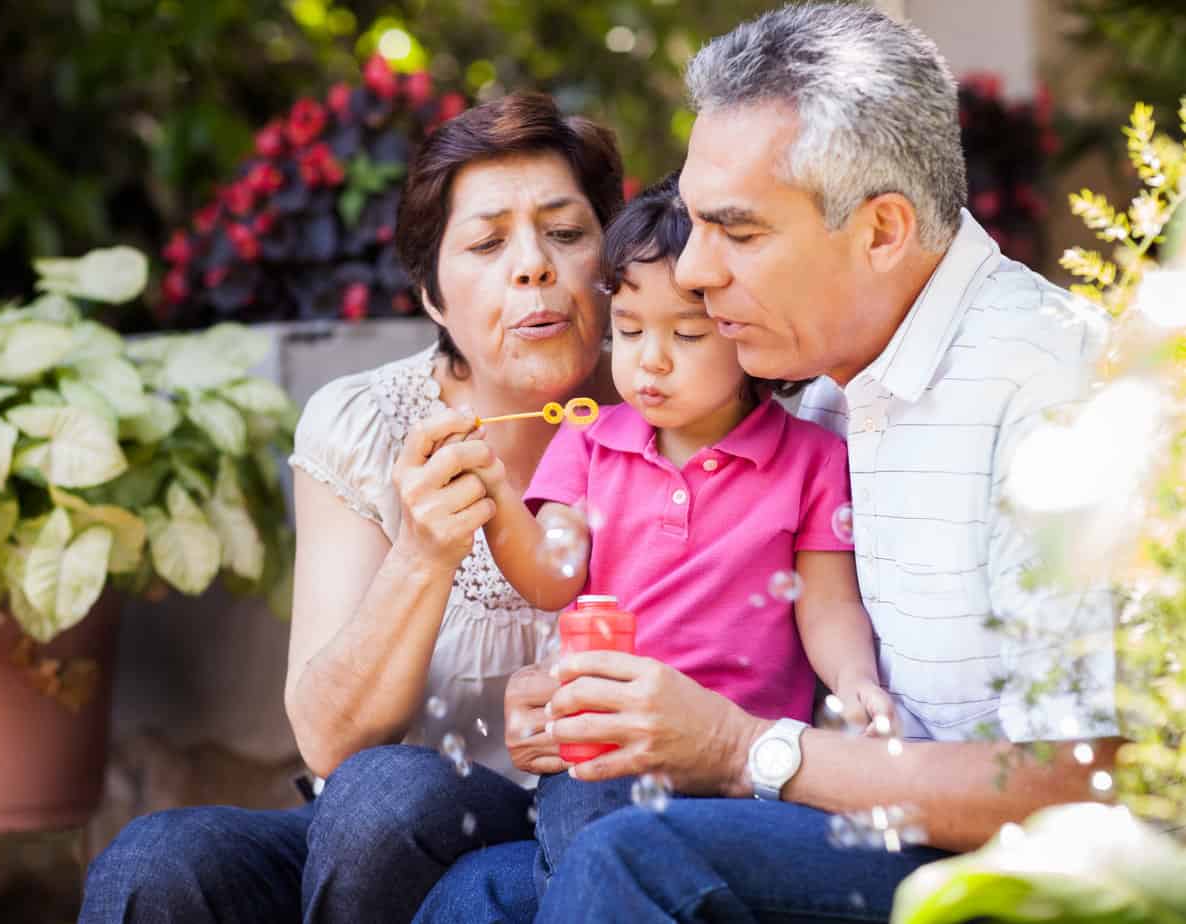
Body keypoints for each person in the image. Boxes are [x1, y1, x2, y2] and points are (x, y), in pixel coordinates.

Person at [418, 6, 1120, 922]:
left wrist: (742, 746)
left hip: (997, 870)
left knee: (632, 860)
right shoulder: (813, 374)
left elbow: (1092, 786)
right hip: (846, 812)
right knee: (475, 893)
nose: (698, 272)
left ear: (881, 231)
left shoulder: (1053, 398)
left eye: (737, 233)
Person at [77, 92, 623, 924]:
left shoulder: (673, 413)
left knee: (387, 793)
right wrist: (423, 555)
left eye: (567, 232)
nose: (533, 265)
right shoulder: (366, 421)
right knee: (158, 864)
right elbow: (328, 740)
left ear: (611, 259)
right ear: (432, 295)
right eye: (485, 242)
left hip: (564, 829)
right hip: (365, 845)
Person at [478, 174, 894, 893]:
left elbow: (826, 604)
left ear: (743, 328)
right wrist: (490, 496)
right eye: (630, 331)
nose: (651, 360)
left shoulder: (812, 460)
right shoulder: (589, 442)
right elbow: (552, 571)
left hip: (739, 760)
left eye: (687, 334)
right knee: (590, 830)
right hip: (610, 746)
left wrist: (856, 679)